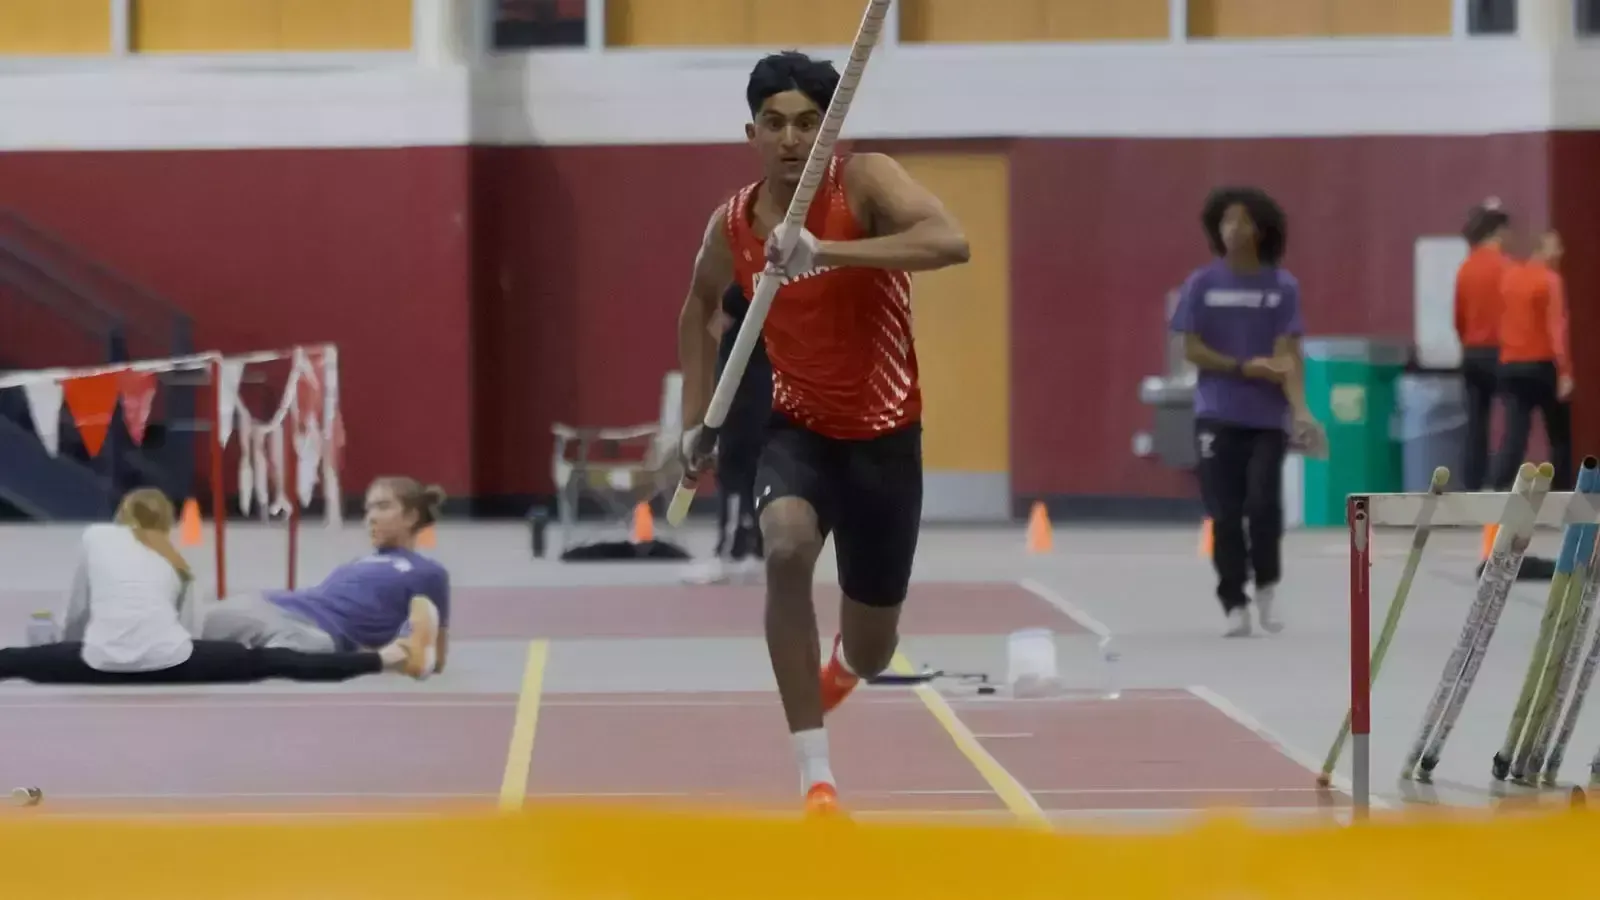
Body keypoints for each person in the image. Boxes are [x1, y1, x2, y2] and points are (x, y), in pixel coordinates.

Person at [675, 51, 969, 816]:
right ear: (751, 132)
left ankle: (845, 663)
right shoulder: (732, 223)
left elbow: (949, 242)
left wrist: (825, 251)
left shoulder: (862, 180)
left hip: (884, 442)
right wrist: (694, 422)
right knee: (785, 548)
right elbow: (700, 311)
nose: (791, 138)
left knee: (872, 652)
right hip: (797, 430)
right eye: (774, 123)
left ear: (830, 129)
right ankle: (817, 778)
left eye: (809, 122)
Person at [0, 488, 434, 684]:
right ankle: (387, 659)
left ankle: (383, 658)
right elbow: (190, 630)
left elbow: (78, 613)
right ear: (166, 525)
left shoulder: (95, 536)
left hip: (97, 662)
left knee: (16, 660)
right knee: (275, 662)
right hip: (178, 660)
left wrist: (68, 649)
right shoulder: (179, 564)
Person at [1170, 186, 1320, 638]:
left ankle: (1267, 584)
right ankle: (1234, 599)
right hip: (1217, 413)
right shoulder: (1202, 285)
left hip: (1265, 419)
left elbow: (1287, 355)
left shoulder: (1281, 287)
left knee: (1263, 503)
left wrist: (1301, 411)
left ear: (1261, 229)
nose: (1234, 229)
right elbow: (1190, 347)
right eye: (1226, 221)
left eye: (1243, 221)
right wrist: (1240, 365)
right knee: (1226, 512)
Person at [197, 476, 450, 676]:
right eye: (368, 509)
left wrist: (406, 653)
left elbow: (435, 657)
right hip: (271, 606)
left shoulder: (427, 572)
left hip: (319, 637)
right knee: (186, 628)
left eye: (383, 507)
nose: (371, 517)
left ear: (411, 517)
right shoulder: (359, 562)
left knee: (277, 657)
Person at [683, 282, 773, 585]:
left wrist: (715, 428)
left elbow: (728, 389)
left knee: (734, 481)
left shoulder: (739, 346)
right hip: (752, 416)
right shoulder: (754, 343)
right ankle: (753, 552)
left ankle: (729, 554)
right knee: (751, 484)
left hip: (740, 418)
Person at [1490, 229, 1573, 491]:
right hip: (1542, 364)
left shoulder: (1510, 277)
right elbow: (1557, 328)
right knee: (1559, 435)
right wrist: (1566, 372)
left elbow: (1500, 321)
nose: (1560, 252)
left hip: (1511, 365)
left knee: (1515, 433)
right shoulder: (1551, 279)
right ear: (1540, 249)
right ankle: (1562, 490)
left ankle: (1498, 487)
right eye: (1554, 246)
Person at [1454, 199, 1513, 491]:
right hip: (1501, 351)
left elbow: (1459, 317)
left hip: (1472, 352)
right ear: (1498, 231)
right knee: (1514, 420)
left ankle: (1472, 484)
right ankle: (1501, 480)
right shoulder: (1507, 268)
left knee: (1475, 424)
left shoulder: (1466, 267)